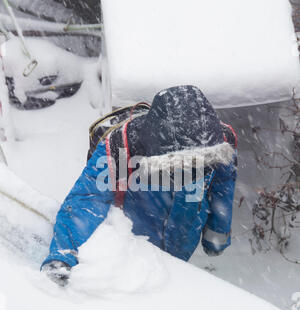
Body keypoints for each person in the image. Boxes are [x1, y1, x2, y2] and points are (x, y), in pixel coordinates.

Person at [41, 85, 237, 286]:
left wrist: (217, 234)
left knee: (172, 281)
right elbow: (87, 200)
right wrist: (62, 255)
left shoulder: (219, 142)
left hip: (185, 234)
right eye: (184, 166)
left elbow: (223, 185)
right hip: (137, 247)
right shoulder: (121, 146)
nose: (194, 173)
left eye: (203, 165)